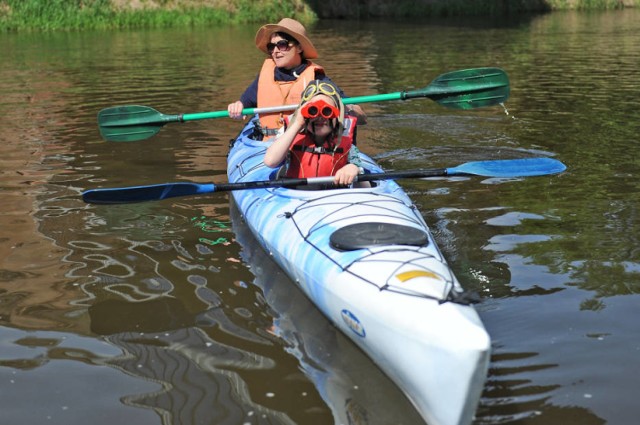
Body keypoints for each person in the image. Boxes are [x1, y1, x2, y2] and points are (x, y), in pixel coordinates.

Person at [227, 18, 366, 139]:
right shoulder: (265, 75)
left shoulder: (317, 79)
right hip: (266, 144)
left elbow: (360, 116)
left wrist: (346, 108)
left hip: (301, 143)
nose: (275, 51)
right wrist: (238, 107)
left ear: (299, 47)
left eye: (282, 44)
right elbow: (244, 103)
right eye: (271, 46)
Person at [264, 80, 369, 187]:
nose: (320, 118)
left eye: (327, 111)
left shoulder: (346, 144)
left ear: (338, 116)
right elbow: (270, 161)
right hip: (296, 196)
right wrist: (297, 124)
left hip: (334, 197)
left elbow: (366, 188)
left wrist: (354, 169)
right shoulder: (290, 135)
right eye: (312, 111)